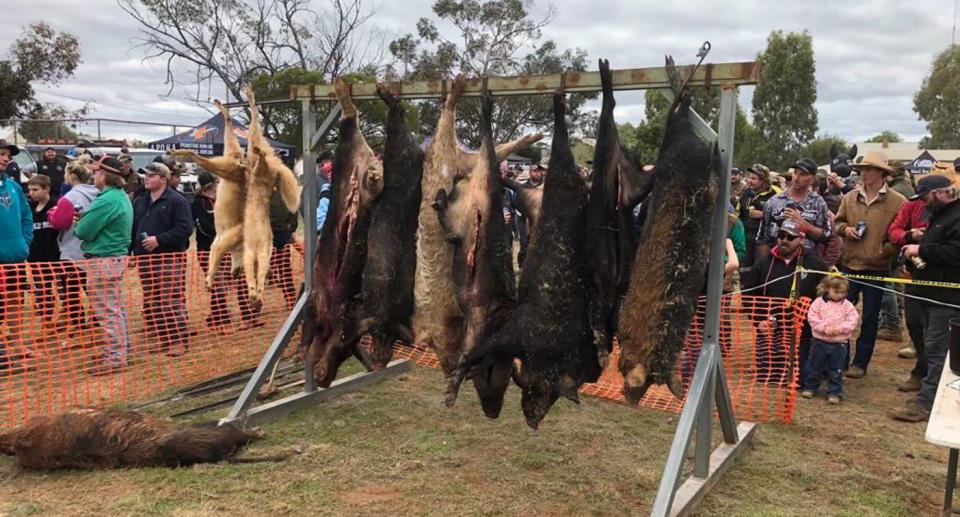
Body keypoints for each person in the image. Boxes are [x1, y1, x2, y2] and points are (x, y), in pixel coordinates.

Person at [889, 175, 960, 422]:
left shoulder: (956, 216)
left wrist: (923, 250)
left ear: (941, 193)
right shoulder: (939, 214)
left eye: (925, 197)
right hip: (930, 293)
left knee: (938, 350)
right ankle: (929, 396)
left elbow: (956, 251)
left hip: (947, 296)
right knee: (930, 348)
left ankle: (927, 404)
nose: (923, 203)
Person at [833, 151, 906, 378]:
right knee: (840, 314)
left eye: (869, 169)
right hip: (850, 264)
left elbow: (899, 234)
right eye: (862, 169)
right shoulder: (850, 198)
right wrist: (846, 230)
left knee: (871, 318)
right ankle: (839, 359)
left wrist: (884, 253)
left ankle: (860, 363)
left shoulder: (898, 201)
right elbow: (838, 223)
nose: (864, 173)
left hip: (877, 267)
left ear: (882, 173)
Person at [741, 219, 825, 385]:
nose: (784, 240)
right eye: (781, 236)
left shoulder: (814, 263)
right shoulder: (764, 263)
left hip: (802, 330)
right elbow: (749, 294)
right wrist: (759, 321)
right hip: (770, 328)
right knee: (768, 377)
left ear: (801, 239)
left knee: (800, 378)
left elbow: (827, 295)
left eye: (790, 237)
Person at [73, 156, 133, 376]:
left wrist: (82, 221)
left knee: (108, 311)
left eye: (97, 172)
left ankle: (115, 357)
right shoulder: (119, 196)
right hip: (113, 258)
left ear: (105, 176)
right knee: (116, 309)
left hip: (103, 259)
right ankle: (121, 350)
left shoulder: (107, 199)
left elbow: (84, 231)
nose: (93, 175)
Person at [131, 162, 194, 357]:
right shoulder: (141, 201)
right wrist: (131, 251)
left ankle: (179, 340)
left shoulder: (177, 200)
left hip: (169, 258)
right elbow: (134, 228)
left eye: (151, 175)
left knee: (170, 300)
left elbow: (185, 228)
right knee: (153, 301)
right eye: (145, 175)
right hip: (145, 259)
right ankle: (165, 338)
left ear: (163, 178)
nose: (146, 178)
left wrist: (159, 239)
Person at [47, 158, 99, 336]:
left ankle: (76, 323)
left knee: (71, 291)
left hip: (72, 249)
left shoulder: (68, 198)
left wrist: (51, 214)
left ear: (71, 176)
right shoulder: (98, 193)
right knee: (93, 288)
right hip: (93, 249)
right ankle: (96, 318)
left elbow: (59, 222)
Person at [887, 193, 931, 391]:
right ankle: (921, 369)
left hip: (946, 275)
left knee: (939, 328)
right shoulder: (912, 205)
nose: (924, 200)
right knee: (914, 322)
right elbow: (894, 231)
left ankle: (930, 374)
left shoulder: (951, 212)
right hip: (915, 274)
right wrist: (910, 235)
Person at [756, 158, 831, 263]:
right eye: (795, 173)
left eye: (803, 174)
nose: (796, 178)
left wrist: (804, 224)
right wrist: (763, 266)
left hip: (806, 263)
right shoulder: (775, 201)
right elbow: (762, 238)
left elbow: (826, 235)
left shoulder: (818, 202)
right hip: (777, 261)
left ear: (812, 179)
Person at [0, 139, 33, 374]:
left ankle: (17, 343)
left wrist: (25, 242)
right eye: (2, 154)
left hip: (15, 257)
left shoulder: (13, 186)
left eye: (7, 155)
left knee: (15, 301)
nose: (6, 158)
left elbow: (26, 216)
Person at [801, 276, 859, 404]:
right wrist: (823, 328)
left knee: (836, 369)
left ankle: (835, 392)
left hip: (840, 343)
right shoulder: (818, 303)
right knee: (815, 366)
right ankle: (810, 387)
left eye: (843, 293)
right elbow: (812, 317)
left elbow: (853, 320)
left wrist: (840, 329)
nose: (840, 295)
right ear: (827, 289)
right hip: (820, 341)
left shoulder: (848, 306)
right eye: (836, 292)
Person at [192, 171, 231, 332]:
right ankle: (221, 320)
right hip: (207, 250)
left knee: (221, 285)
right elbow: (203, 227)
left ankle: (215, 316)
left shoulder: (220, 201)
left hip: (224, 249)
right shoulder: (198, 203)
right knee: (219, 286)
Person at [26, 175, 60, 343]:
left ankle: (74, 320)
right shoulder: (29, 207)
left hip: (55, 256)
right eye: (30, 189)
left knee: (64, 289)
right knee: (42, 291)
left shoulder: (56, 205)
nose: (31, 193)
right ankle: (47, 322)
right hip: (35, 257)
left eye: (35, 189)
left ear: (46, 189)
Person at [738, 163, 779, 268]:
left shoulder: (774, 194)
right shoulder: (746, 193)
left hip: (764, 241)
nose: (750, 181)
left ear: (763, 180)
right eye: (749, 177)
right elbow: (737, 213)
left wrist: (764, 214)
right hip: (746, 239)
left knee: (761, 268)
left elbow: (781, 216)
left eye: (754, 178)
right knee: (744, 269)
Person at [268, 183, 298, 309]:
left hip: (283, 233)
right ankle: (251, 310)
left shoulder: (286, 188)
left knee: (285, 268)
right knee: (262, 268)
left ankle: (290, 297)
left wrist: (292, 225)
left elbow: (293, 207)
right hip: (268, 234)